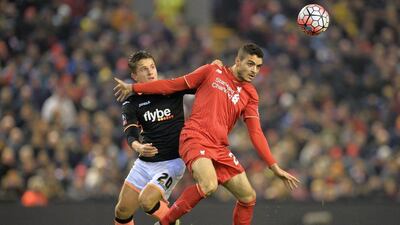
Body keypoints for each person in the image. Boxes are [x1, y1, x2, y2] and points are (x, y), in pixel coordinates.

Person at [114, 43, 300, 225]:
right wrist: (133, 88)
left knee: (248, 196)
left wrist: (273, 166)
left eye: (258, 67)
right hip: (195, 138)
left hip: (214, 148)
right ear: (238, 60)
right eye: (250, 64)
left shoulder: (250, 93)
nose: (254, 71)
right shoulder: (211, 72)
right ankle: (168, 222)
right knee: (124, 210)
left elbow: (256, 132)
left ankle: (169, 221)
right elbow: (171, 85)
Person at [114, 50, 222, 225]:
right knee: (122, 210)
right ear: (134, 75)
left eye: (152, 67)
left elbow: (197, 81)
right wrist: (138, 147)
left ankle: (172, 221)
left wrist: (212, 69)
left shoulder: (170, 88)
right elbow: (131, 132)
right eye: (144, 69)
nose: (150, 72)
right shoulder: (131, 103)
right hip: (144, 163)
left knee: (147, 200)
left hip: (172, 161)